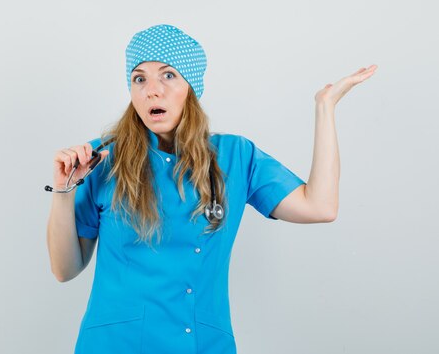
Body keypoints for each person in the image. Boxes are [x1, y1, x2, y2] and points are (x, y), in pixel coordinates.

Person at [46, 24, 377, 354]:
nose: (152, 90)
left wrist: (325, 108)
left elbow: (320, 207)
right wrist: (64, 190)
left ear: (191, 86)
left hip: (202, 344)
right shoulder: (101, 158)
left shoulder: (235, 157)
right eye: (139, 78)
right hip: (115, 345)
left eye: (168, 75)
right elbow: (65, 270)